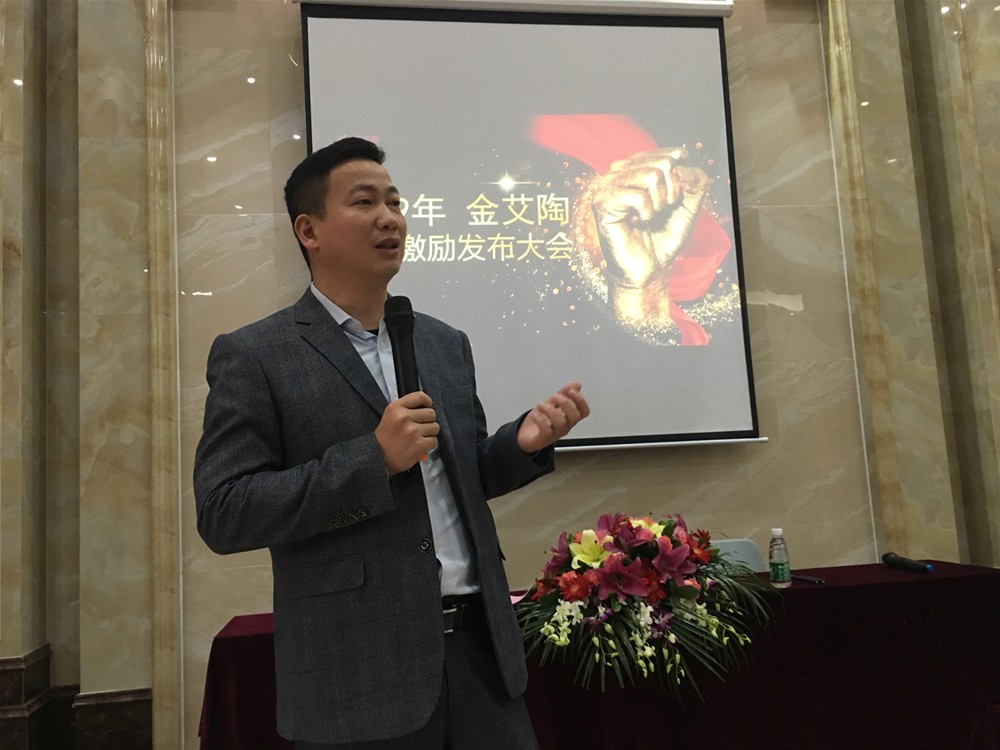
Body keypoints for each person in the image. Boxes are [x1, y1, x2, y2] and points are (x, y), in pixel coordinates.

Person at [193, 137, 590, 750]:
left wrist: (521, 444)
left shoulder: (442, 343)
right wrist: (372, 461)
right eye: (364, 202)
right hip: (357, 675)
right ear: (308, 230)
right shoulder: (256, 355)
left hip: (481, 659)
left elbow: (457, 483)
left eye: (396, 203)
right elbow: (225, 512)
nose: (389, 218)